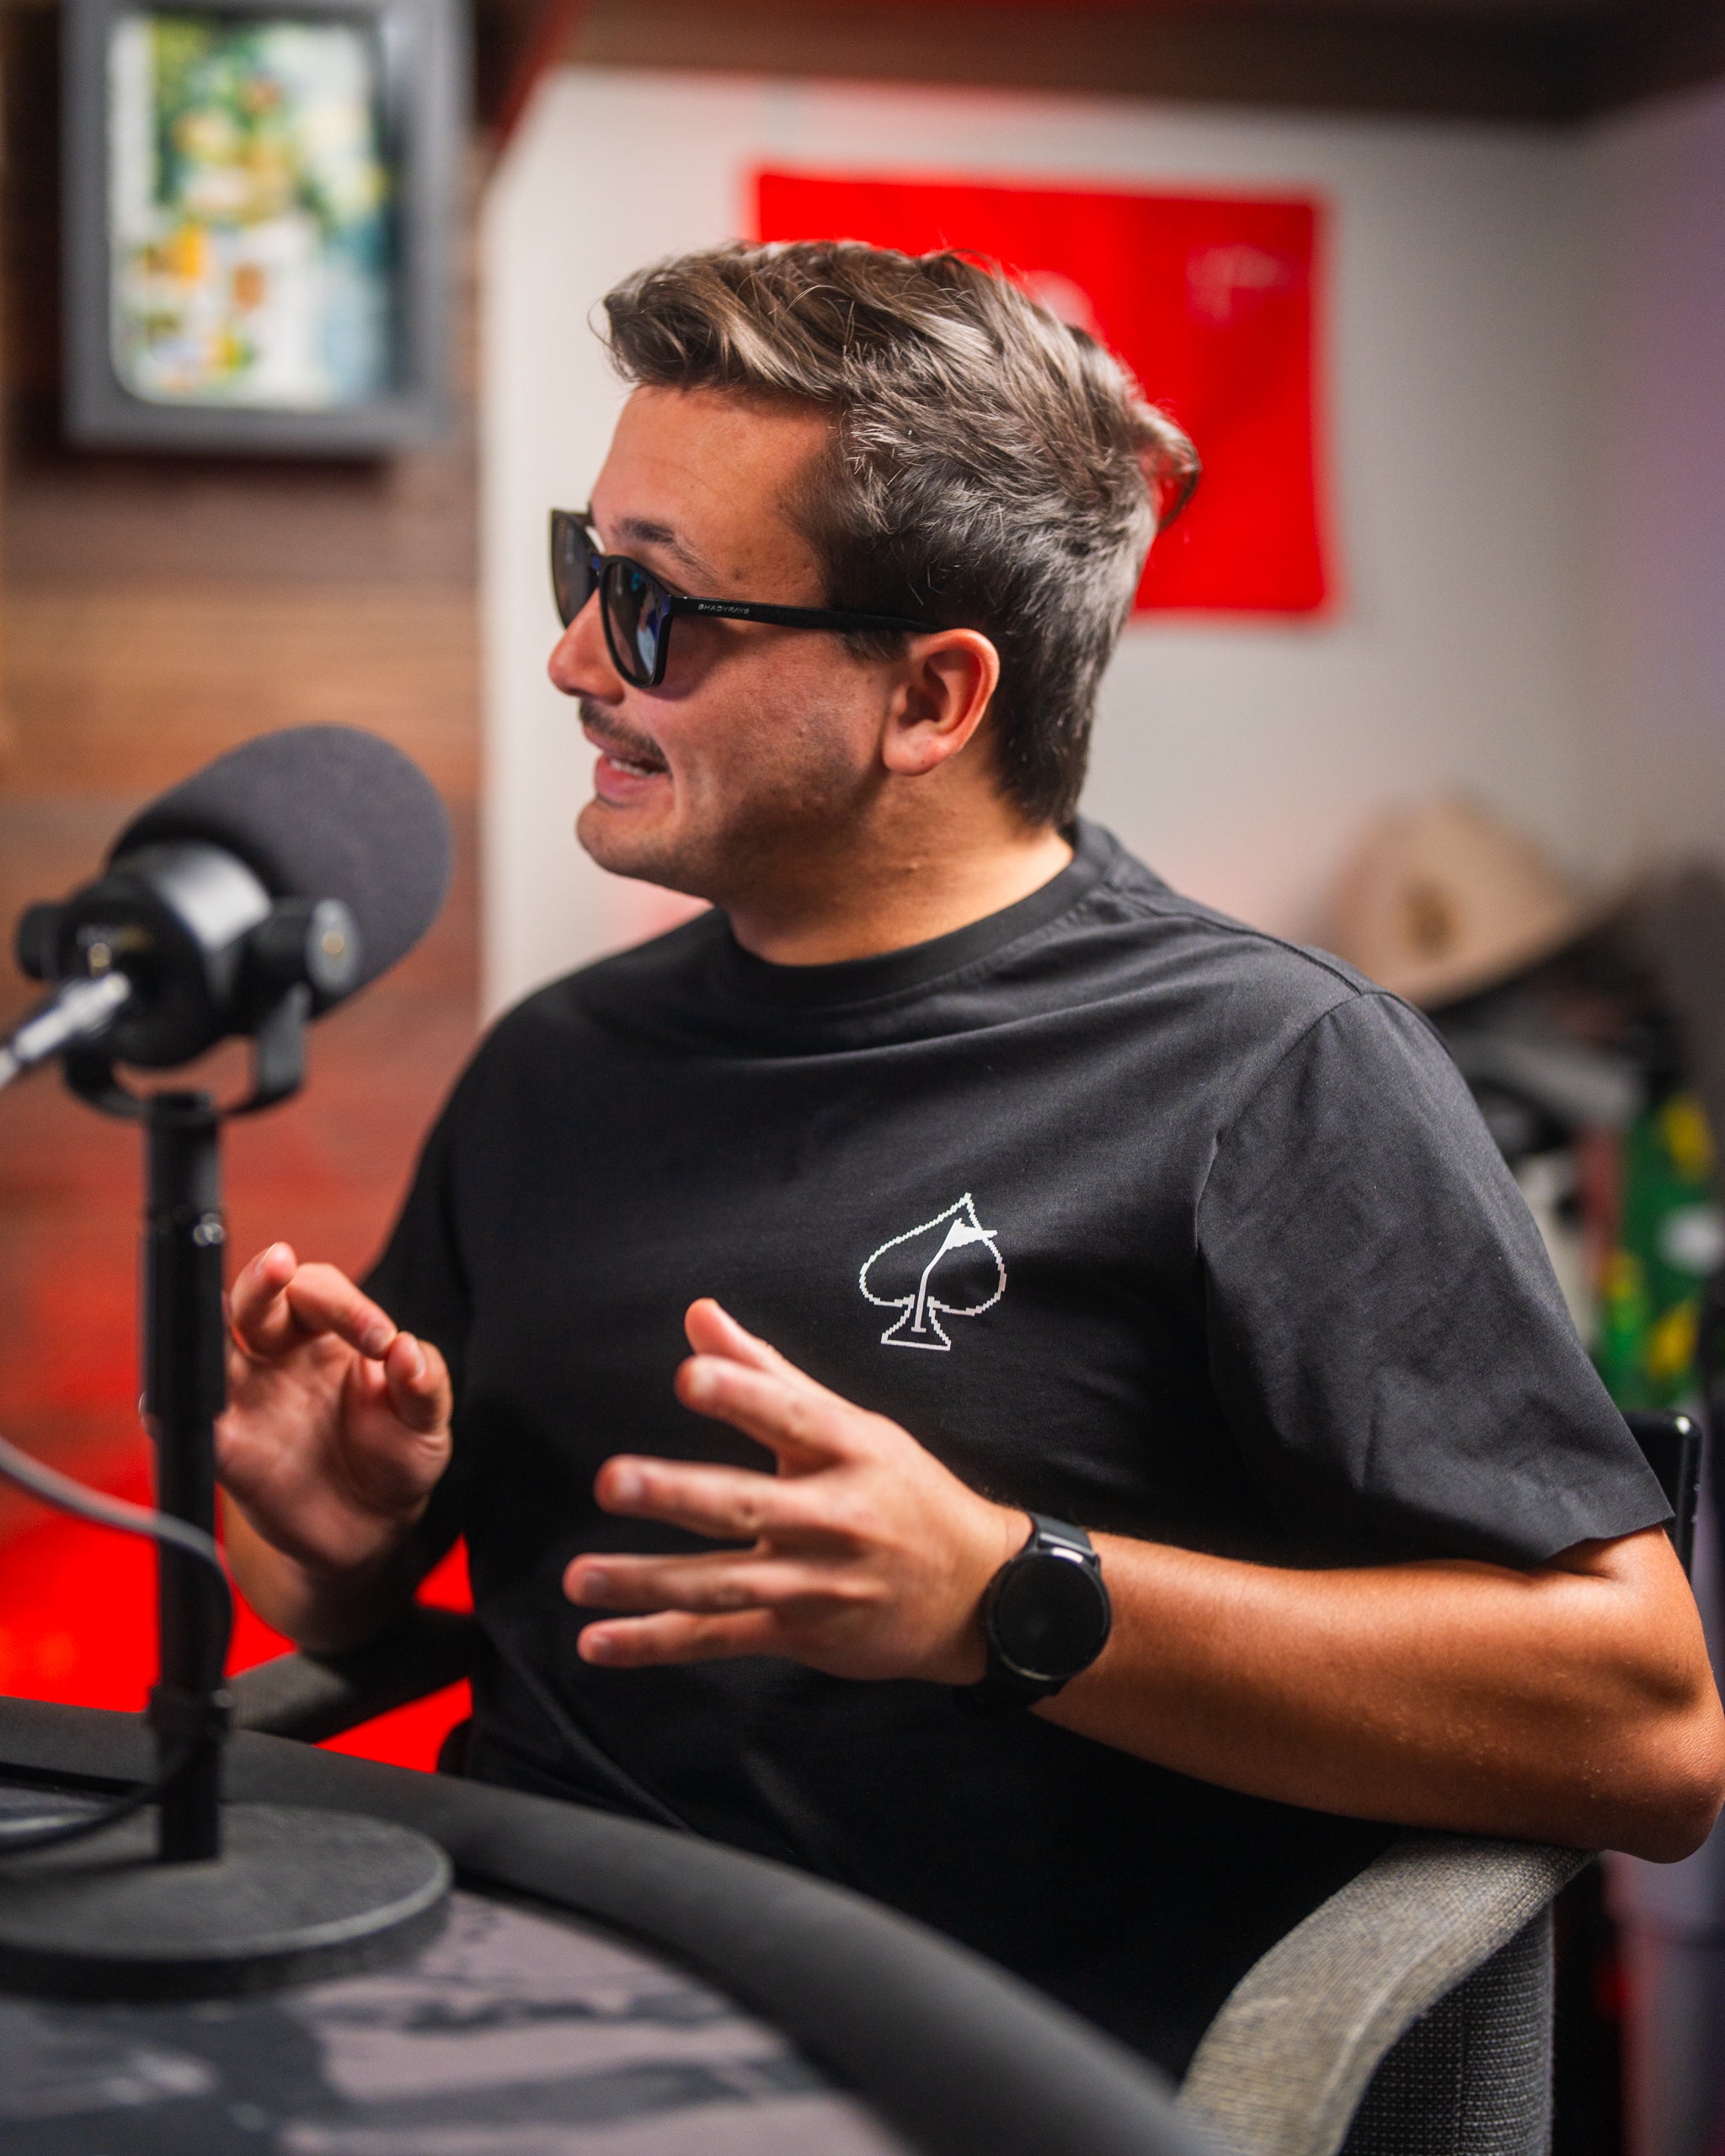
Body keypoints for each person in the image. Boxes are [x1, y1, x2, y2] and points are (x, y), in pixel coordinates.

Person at [216, 241, 1725, 2076]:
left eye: (652, 604)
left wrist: (1007, 1590)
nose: (566, 658)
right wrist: (339, 1531)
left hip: (960, 2078)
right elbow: (358, 1601)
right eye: (579, 567)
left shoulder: (1272, 1073)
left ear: (931, 697)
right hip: (486, 2020)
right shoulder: (559, 1061)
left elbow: (1647, 1732)